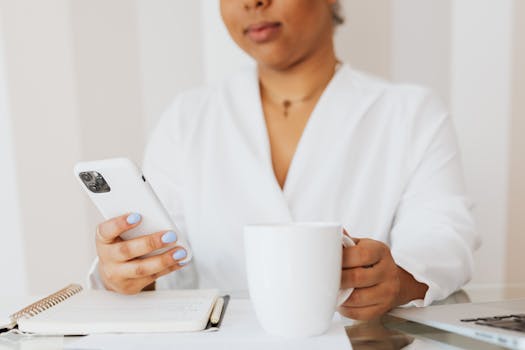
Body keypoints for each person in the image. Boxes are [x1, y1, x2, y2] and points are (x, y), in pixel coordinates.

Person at [88, 0, 480, 320]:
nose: (252, 3)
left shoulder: (410, 112)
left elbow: (443, 235)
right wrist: (127, 273)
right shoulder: (187, 117)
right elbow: (167, 263)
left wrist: (399, 280)